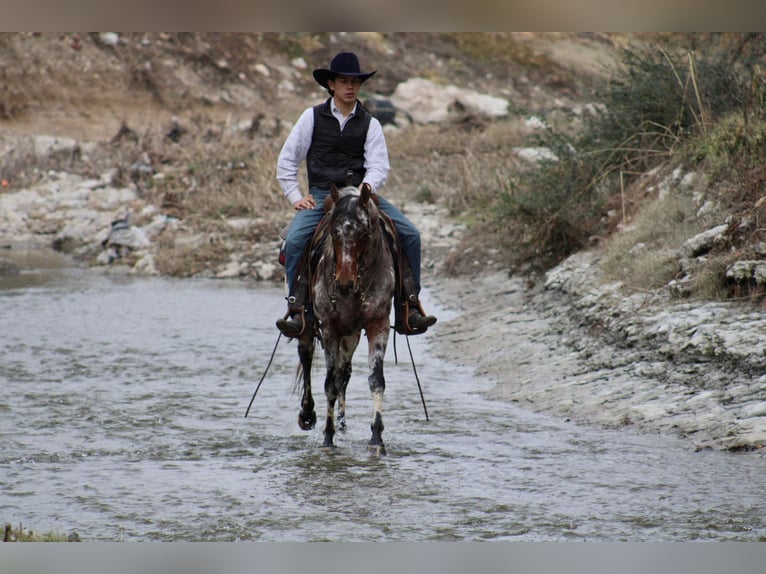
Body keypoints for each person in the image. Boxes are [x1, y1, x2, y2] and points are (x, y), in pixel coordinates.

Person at [275, 51, 437, 338]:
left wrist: (367, 188)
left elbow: (379, 166)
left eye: (354, 82)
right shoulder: (311, 117)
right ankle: (299, 310)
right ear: (332, 85)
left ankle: (408, 307)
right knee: (296, 240)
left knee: (410, 234)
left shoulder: (370, 122)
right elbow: (287, 160)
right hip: (322, 194)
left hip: (361, 194)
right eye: (344, 81)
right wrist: (295, 196)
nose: (350, 87)